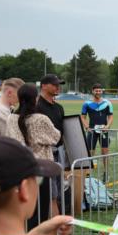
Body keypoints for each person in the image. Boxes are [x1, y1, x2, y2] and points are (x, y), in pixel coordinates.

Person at [5, 83, 60, 230]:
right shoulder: (40, 119)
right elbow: (56, 137)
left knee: (23, 212)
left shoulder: (11, 118)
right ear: (35, 99)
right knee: (40, 214)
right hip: (42, 170)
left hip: (21, 170)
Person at [36, 74, 66, 215]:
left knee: (58, 190)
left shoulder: (59, 107)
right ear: (43, 86)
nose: (57, 87)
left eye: (58, 84)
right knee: (49, 191)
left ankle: (55, 217)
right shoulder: (37, 106)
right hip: (43, 152)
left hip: (58, 150)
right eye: (54, 84)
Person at [81, 84, 114, 155]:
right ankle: (91, 166)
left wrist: (107, 126)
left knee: (105, 152)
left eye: (100, 91)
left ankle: (106, 167)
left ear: (102, 91)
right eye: (96, 91)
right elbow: (83, 117)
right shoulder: (86, 104)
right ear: (93, 91)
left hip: (104, 130)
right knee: (90, 152)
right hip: (92, 130)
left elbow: (111, 117)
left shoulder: (108, 103)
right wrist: (87, 127)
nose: (98, 92)